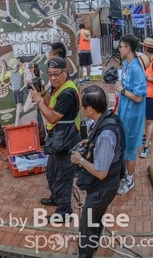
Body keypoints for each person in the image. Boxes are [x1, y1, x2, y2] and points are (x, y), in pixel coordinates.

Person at [71, 86, 125, 258]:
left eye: (82, 106)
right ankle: (93, 245)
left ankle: (86, 253)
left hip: (102, 187)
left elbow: (101, 173)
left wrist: (79, 160)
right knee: (96, 218)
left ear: (90, 110)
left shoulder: (106, 135)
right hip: (108, 185)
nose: (81, 109)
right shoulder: (110, 118)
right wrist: (91, 141)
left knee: (87, 225)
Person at [30, 57, 81, 224]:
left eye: (56, 74)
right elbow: (52, 104)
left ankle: (64, 212)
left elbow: (52, 116)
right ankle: (56, 197)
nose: (52, 78)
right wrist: (43, 93)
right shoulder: (59, 88)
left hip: (66, 140)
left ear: (65, 72)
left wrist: (38, 100)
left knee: (63, 177)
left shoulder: (68, 92)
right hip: (58, 139)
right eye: (50, 74)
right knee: (51, 172)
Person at [114, 35, 146, 195]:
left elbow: (139, 98)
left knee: (130, 148)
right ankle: (125, 173)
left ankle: (130, 180)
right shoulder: (127, 64)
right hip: (124, 111)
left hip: (133, 115)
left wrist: (121, 90)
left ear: (128, 49)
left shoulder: (136, 69)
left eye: (120, 47)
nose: (119, 49)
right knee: (124, 144)